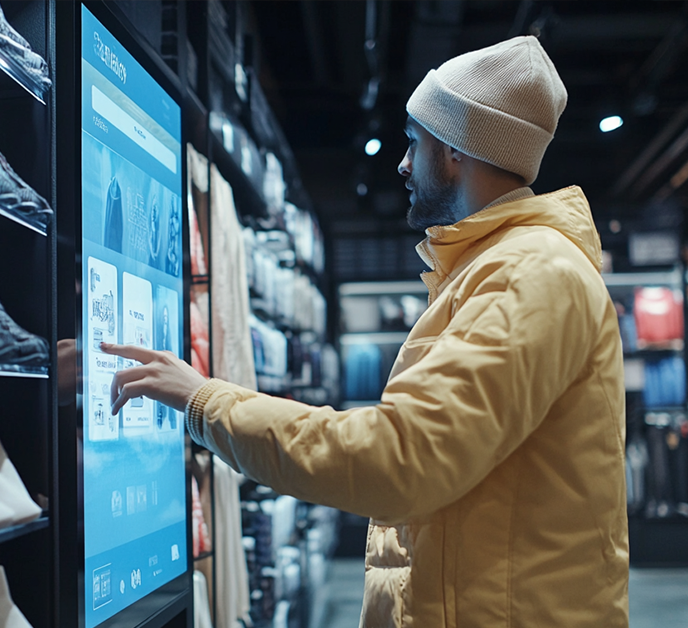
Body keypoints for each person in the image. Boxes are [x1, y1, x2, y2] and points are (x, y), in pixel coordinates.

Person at [101, 35, 628, 628]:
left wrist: (205, 401)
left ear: (455, 149)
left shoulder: (529, 273)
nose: (403, 163)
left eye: (414, 141)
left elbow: (398, 460)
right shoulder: (498, 271)